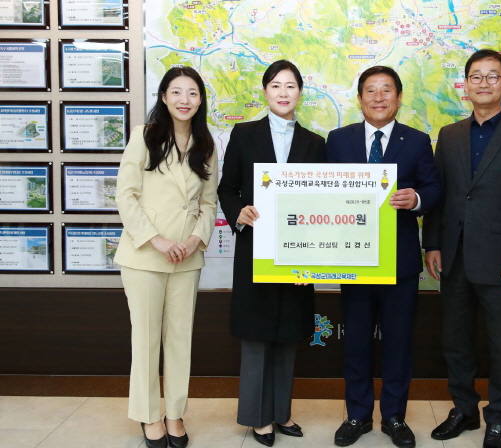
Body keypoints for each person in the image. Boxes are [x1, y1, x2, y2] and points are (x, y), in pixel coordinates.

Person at [423, 49, 501, 448]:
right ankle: (464, 410)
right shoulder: (450, 135)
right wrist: (433, 244)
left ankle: (498, 418)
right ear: (465, 85)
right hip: (454, 258)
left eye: (493, 76)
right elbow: (440, 196)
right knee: (455, 342)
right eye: (476, 76)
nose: (484, 83)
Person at [327, 66, 441, 448]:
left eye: (386, 90)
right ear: (360, 98)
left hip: (399, 261)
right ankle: (357, 416)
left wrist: (417, 198)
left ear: (399, 97)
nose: (378, 97)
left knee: (398, 343)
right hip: (353, 260)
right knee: (356, 342)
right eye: (371, 90)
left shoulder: (417, 140)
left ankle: (394, 416)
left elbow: (433, 189)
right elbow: (320, 193)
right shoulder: (338, 140)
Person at [217, 60, 326, 447]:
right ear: (265, 91)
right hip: (256, 246)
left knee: (288, 331)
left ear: (300, 93)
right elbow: (227, 188)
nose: (283, 92)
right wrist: (239, 212)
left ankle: (281, 412)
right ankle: (257, 417)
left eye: (291, 86)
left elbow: (322, 199)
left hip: (298, 250)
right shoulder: (244, 134)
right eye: (276, 85)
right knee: (256, 331)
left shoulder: (315, 143)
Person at [115, 66, 218, 448]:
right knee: (145, 340)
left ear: (201, 100)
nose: (184, 100)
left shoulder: (206, 144)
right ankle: (148, 415)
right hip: (145, 256)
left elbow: (209, 203)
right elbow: (125, 195)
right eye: (176, 92)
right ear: (163, 96)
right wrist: (155, 240)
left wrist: (194, 240)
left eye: (192, 93)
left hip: (186, 258)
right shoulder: (144, 137)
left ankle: (174, 413)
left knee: (179, 340)